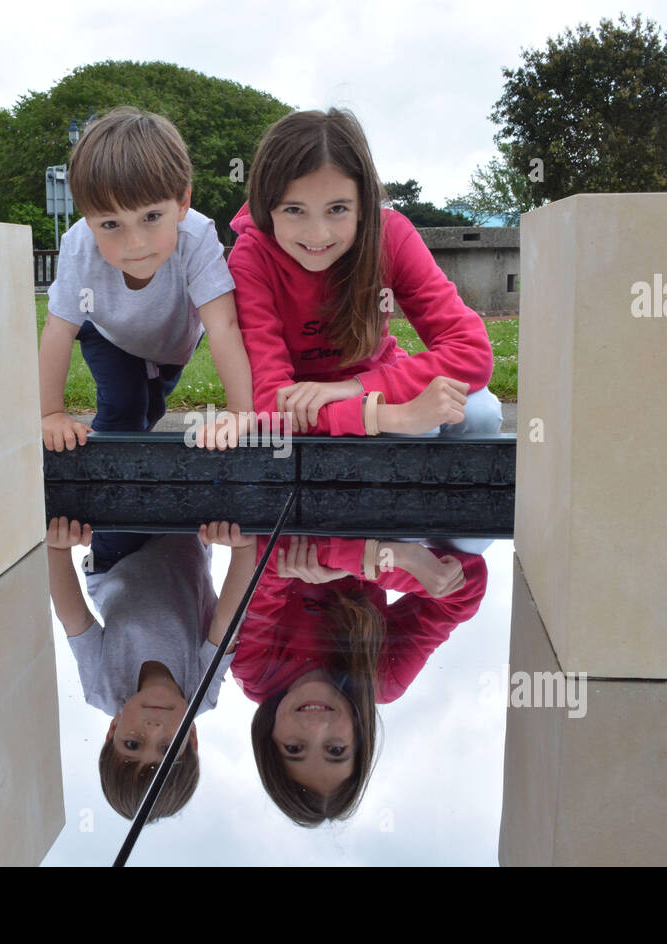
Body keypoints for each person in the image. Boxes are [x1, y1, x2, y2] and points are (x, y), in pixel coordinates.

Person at [227, 108, 502, 438]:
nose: (318, 234)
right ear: (266, 207)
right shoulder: (252, 257)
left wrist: (355, 388)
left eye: (338, 209)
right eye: (294, 210)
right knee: (413, 432)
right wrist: (386, 418)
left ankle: (455, 490)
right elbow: (270, 405)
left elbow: (471, 351)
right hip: (302, 407)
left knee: (480, 413)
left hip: (375, 383)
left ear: (363, 205)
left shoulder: (390, 236)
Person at [233, 535, 489, 826]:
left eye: (294, 748)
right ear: (359, 737)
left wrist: (386, 559)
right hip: (383, 521)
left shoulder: (256, 669)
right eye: (335, 749)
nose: (316, 729)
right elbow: (466, 586)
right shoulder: (382, 678)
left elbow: (266, 549)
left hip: (303, 501)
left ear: (270, 739)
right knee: (472, 538)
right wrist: (378, 560)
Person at [39, 107, 253, 452]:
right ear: (87, 218)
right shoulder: (78, 245)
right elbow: (58, 329)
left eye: (151, 217)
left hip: (171, 342)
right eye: (111, 224)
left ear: (183, 202)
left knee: (151, 409)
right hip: (109, 332)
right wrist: (49, 413)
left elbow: (224, 325)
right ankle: (102, 486)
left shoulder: (196, 237)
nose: (135, 244)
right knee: (124, 410)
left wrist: (239, 411)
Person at [45, 516, 257, 821]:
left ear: (113, 729)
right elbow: (226, 624)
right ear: (192, 738)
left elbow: (75, 620)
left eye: (133, 743)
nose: (153, 730)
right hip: (186, 540)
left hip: (116, 562)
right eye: (167, 747)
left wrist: (57, 550)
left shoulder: (101, 688)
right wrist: (243, 549)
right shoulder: (201, 694)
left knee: (123, 504)